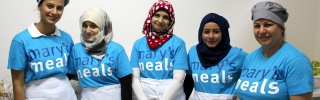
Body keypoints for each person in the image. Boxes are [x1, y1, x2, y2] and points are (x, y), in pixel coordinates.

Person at [234, 1, 314, 100]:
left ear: (281, 29)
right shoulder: (250, 58)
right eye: (257, 26)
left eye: (267, 25)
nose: (262, 31)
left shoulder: (296, 61)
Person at [7, 0, 77, 100]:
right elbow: (18, 83)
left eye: (59, 8)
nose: (54, 12)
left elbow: (72, 71)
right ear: (39, 6)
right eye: (49, 6)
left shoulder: (66, 38)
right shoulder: (20, 40)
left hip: (68, 96)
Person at [67, 7, 133, 100]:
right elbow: (67, 76)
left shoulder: (117, 49)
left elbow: (126, 82)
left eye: (93, 26)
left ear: (103, 27)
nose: (87, 30)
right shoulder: (76, 49)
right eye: (84, 25)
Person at [130, 0, 188, 100]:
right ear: (150, 16)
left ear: (171, 20)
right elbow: (135, 77)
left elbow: (179, 78)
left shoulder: (178, 43)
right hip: (143, 96)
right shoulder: (138, 44)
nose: (160, 20)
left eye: (165, 17)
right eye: (157, 15)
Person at [183, 13, 248, 100]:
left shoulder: (238, 55)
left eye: (216, 32)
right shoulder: (193, 52)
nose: (211, 36)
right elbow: (188, 82)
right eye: (206, 32)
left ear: (224, 32)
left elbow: (255, 77)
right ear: (201, 33)